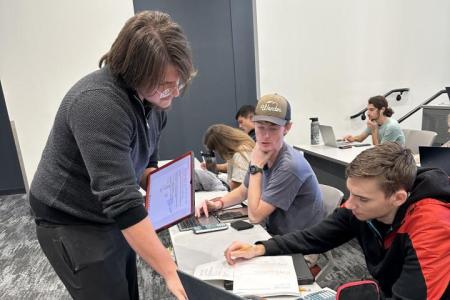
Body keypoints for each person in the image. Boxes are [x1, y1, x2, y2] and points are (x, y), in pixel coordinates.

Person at [29, 11, 196, 300]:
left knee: (126, 286)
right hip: (70, 218)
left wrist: (163, 185)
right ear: (134, 72)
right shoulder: (98, 104)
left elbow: (146, 160)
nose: (173, 94)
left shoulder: (153, 102)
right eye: (164, 85)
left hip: (108, 212)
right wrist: (169, 270)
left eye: (178, 84)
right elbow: (120, 200)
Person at [225, 142, 450, 299]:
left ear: (398, 198)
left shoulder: (433, 225)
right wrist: (261, 249)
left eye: (362, 198)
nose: (349, 204)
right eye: (350, 193)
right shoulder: (361, 206)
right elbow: (316, 237)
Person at [196, 94, 324, 236]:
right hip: (274, 232)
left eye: (273, 128)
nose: (265, 135)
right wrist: (218, 204)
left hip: (299, 244)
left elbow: (255, 216)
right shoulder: (262, 152)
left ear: (287, 128)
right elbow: (243, 191)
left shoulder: (289, 165)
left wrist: (256, 167)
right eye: (260, 127)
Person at [203, 124, 255, 190]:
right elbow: (235, 166)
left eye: (216, 149)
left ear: (221, 146)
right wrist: (216, 167)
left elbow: (236, 188)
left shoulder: (241, 153)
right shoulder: (240, 147)